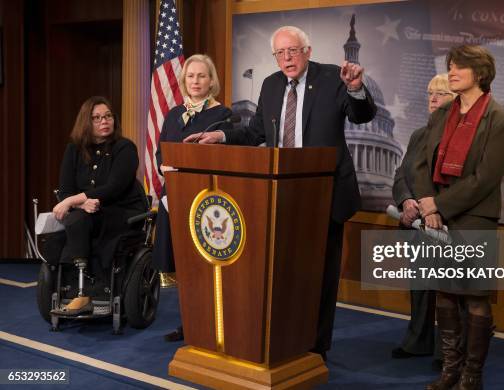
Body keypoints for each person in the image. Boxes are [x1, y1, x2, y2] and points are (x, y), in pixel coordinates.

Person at [185, 25, 377, 359]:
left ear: (308, 51)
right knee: (283, 274)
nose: (286, 58)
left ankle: (316, 347)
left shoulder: (334, 77)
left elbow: (362, 115)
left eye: (292, 51)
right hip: (280, 196)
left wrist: (357, 88)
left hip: (325, 193)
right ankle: (285, 337)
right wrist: (222, 137)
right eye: (280, 53)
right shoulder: (272, 85)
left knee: (320, 275)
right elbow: (257, 131)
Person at [412, 45, 504, 389]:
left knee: (474, 297)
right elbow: (420, 162)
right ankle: (450, 371)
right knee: (444, 293)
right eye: (451, 66)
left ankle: (472, 375)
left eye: (459, 67)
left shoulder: (501, 120)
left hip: (475, 218)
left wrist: (439, 207)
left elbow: (485, 178)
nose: (452, 72)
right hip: (436, 213)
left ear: (481, 74)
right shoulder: (442, 113)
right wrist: (428, 201)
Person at [152, 53, 233, 342]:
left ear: (212, 81)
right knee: (184, 265)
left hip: (206, 204)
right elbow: (162, 151)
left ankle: (214, 327)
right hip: (173, 198)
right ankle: (189, 325)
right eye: (190, 76)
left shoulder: (223, 115)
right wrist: (163, 165)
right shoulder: (174, 113)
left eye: (201, 75)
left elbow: (224, 156)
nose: (195, 81)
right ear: (184, 81)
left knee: (205, 265)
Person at [51, 96, 147, 315]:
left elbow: (113, 188)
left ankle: (85, 293)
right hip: (85, 213)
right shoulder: (74, 150)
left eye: (108, 116)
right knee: (75, 223)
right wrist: (81, 204)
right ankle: (79, 291)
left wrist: (73, 201)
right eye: (96, 118)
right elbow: (65, 190)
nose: (104, 121)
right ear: (86, 122)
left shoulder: (125, 148)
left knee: (81, 222)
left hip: (122, 210)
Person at [391, 74, 456, 370]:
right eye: (430, 93)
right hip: (416, 222)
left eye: (440, 94)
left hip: (446, 224)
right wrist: (407, 201)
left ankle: (447, 352)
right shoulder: (419, 134)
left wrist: (434, 207)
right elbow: (402, 174)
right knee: (420, 286)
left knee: (448, 290)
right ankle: (417, 341)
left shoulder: (461, 137)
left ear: (455, 99)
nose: (432, 99)